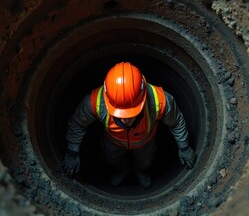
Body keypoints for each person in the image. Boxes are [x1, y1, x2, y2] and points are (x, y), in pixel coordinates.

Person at [63, 62, 196, 189]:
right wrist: (72, 153)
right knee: (111, 159)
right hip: (113, 142)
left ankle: (142, 173)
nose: (125, 120)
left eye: (130, 113)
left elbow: (176, 122)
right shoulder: (94, 102)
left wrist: (184, 147)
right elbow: (78, 123)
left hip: (145, 142)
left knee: (145, 161)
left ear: (143, 99)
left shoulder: (159, 101)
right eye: (120, 114)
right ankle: (122, 170)